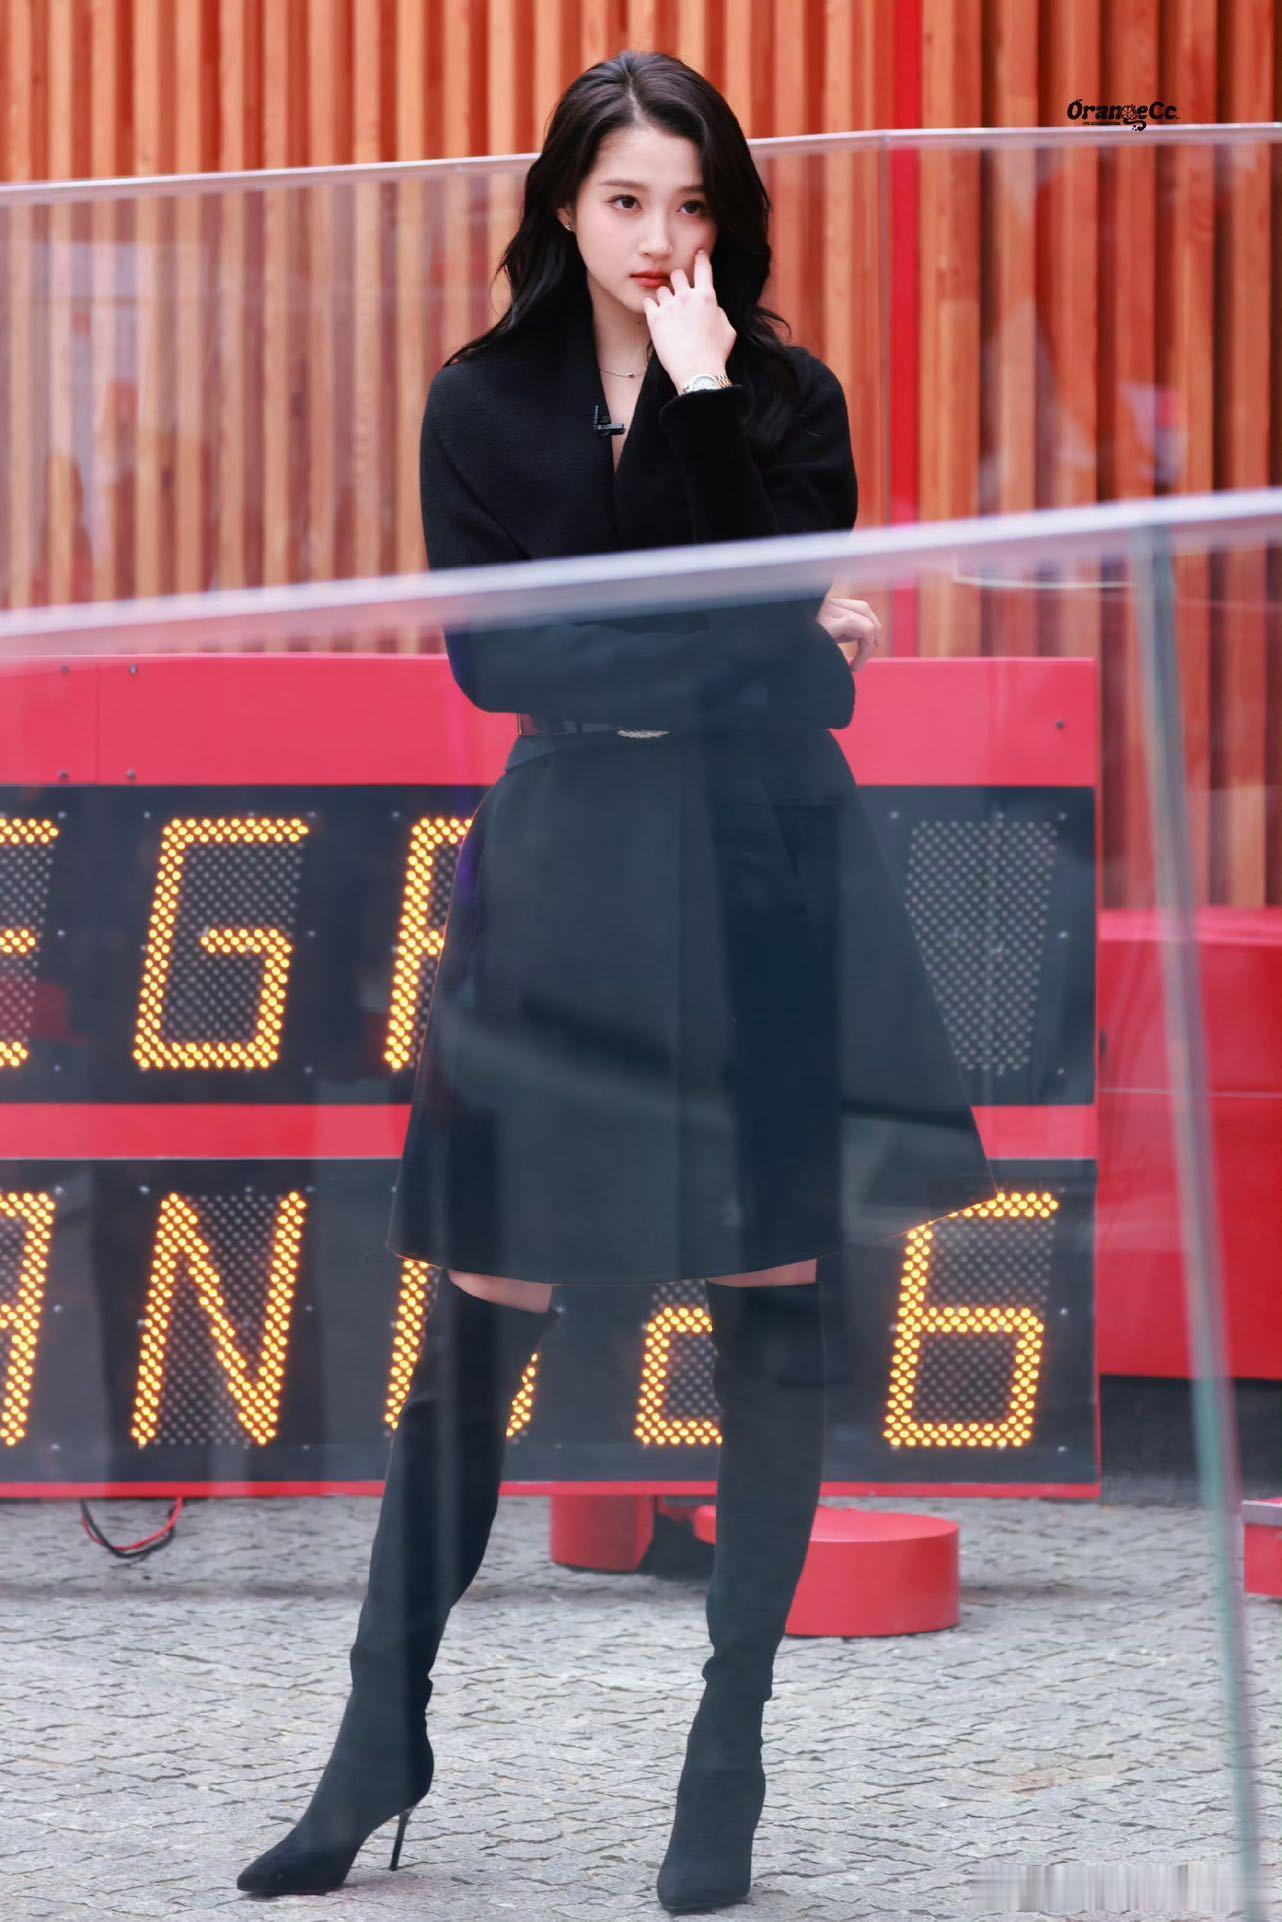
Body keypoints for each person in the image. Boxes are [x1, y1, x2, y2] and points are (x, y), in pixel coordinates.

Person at [236, 48, 998, 1914]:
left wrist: (700, 406)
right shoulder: (479, 403)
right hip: (570, 866)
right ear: (562, 211)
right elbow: (510, 668)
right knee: (483, 1295)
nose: (662, 238)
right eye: (626, 201)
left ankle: (725, 1757)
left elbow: (769, 664)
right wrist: (757, 641)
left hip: (756, 865)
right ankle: (375, 1736)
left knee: (768, 1279)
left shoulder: (781, 396)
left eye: (691, 202)